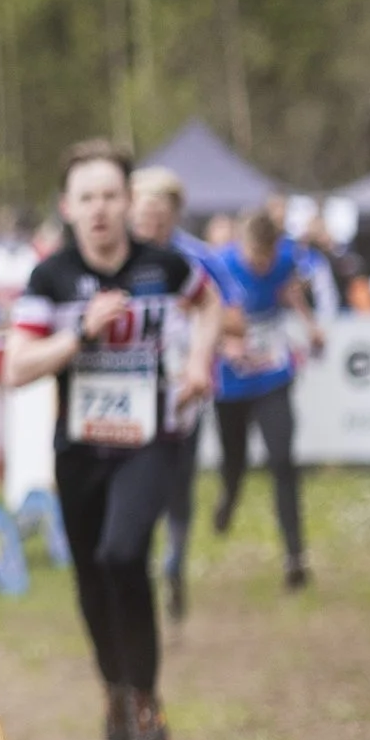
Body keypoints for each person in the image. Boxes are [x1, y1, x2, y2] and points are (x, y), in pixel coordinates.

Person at [5, 141, 218, 740]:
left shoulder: (164, 267)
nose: (98, 209)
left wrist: (199, 364)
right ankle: (115, 691)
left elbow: (209, 304)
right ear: (67, 207)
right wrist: (80, 332)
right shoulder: (51, 278)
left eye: (109, 195)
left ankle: (145, 694)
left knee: (124, 553)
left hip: (147, 441)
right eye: (86, 197)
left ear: (129, 202)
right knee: (91, 575)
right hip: (79, 448)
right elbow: (16, 368)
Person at [208, 209, 318, 587]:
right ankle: (229, 497)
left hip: (272, 372)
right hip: (231, 378)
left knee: (283, 460)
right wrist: (225, 341)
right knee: (234, 460)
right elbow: (202, 314)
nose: (262, 264)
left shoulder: (287, 258)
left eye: (267, 257)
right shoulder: (221, 264)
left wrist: (309, 324)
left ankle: (294, 556)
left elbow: (291, 290)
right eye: (256, 256)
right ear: (242, 245)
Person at [128, 168, 218, 626]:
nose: (152, 225)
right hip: (132, 393)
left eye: (160, 217)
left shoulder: (196, 259)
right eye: (144, 215)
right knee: (138, 484)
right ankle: (138, 567)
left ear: (175, 215)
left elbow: (229, 314)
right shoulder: (118, 257)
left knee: (179, 483)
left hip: (184, 390)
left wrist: (200, 360)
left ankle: (175, 563)